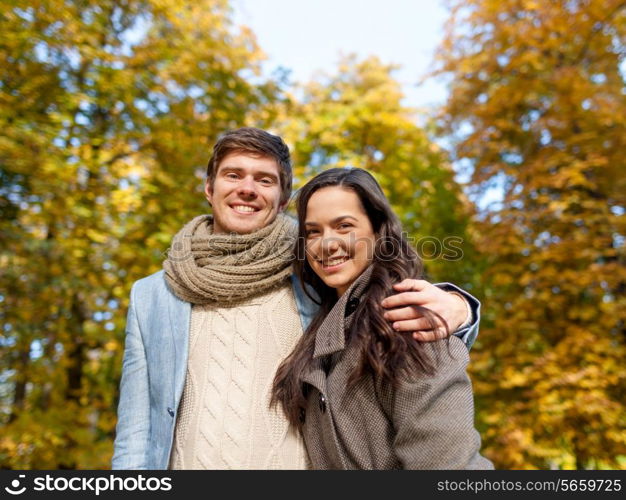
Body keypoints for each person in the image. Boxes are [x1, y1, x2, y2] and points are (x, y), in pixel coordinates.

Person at [111, 127, 482, 470]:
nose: (247, 188)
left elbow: (375, 296)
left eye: (265, 180)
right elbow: (135, 431)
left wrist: (459, 308)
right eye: (233, 174)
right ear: (209, 188)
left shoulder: (307, 270)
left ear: (284, 197)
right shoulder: (152, 296)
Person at [271, 167, 493, 469]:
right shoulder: (317, 329)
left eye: (344, 226)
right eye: (313, 231)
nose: (326, 243)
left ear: (379, 233)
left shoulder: (409, 326)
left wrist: (461, 307)